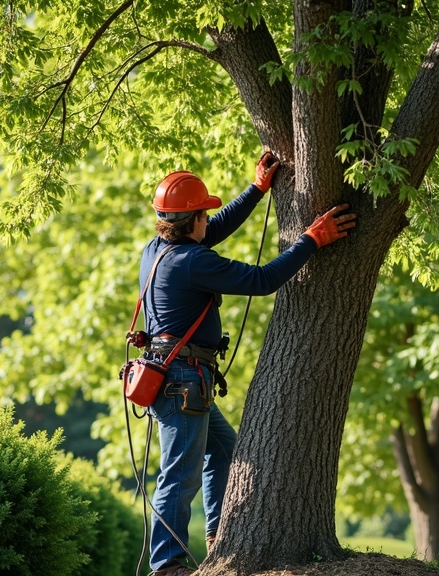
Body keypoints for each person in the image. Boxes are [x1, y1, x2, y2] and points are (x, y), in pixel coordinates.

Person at [140, 152, 356, 576]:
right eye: (206, 212)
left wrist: (257, 190)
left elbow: (212, 231)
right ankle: (166, 566)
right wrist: (311, 239)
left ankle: (220, 535)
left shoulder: (158, 250)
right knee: (178, 475)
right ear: (193, 220)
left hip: (174, 377)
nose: (210, 219)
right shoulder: (193, 261)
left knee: (224, 449)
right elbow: (262, 280)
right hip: (182, 380)